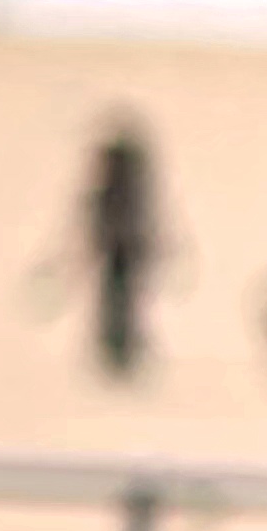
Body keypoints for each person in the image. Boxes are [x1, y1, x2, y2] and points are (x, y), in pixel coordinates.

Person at [59, 113, 166, 383]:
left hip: (118, 247)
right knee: (120, 300)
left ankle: (119, 350)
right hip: (125, 246)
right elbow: (144, 214)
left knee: (119, 300)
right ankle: (119, 350)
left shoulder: (116, 180)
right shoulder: (132, 179)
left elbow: (102, 211)